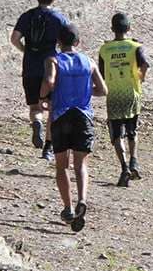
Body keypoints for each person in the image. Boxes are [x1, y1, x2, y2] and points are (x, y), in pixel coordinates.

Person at [39, 24, 107, 232]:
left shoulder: (54, 60)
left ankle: (67, 208)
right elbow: (103, 90)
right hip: (83, 116)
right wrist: (86, 91)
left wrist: (42, 97)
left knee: (62, 165)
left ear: (59, 43)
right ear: (78, 42)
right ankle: (83, 199)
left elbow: (50, 82)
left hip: (61, 116)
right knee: (81, 164)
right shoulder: (89, 62)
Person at [10, 0, 69, 162]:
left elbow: (14, 39)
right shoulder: (59, 18)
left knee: (35, 107)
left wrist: (25, 50)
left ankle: (37, 123)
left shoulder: (27, 16)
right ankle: (48, 148)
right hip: (50, 67)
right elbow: (68, 41)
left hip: (30, 66)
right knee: (51, 108)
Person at [99, 13, 150, 187]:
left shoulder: (104, 50)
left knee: (116, 134)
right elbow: (145, 65)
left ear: (112, 29)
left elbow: (102, 73)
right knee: (132, 130)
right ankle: (134, 160)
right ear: (128, 29)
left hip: (113, 95)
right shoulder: (135, 47)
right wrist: (139, 78)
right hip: (132, 94)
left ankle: (124, 167)